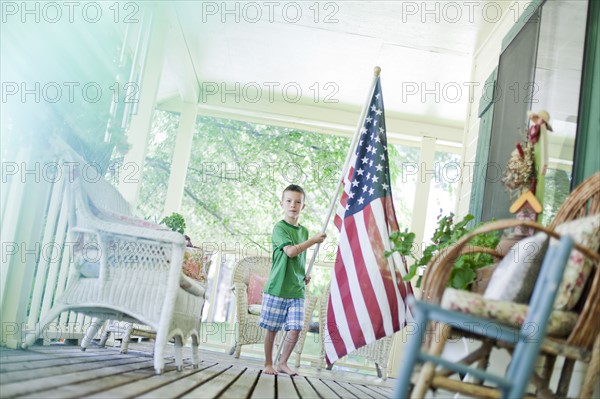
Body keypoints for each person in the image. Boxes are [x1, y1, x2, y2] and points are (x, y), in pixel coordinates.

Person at [259, 184, 326, 376]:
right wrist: (313, 241)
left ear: (303, 206)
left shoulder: (303, 231)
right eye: (288, 201)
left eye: (298, 202)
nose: (293, 205)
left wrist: (302, 275)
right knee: (271, 329)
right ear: (282, 204)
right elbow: (290, 252)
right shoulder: (279, 228)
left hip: (296, 290)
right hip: (277, 288)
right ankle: (268, 362)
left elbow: (298, 259)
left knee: (295, 329)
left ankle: (283, 362)